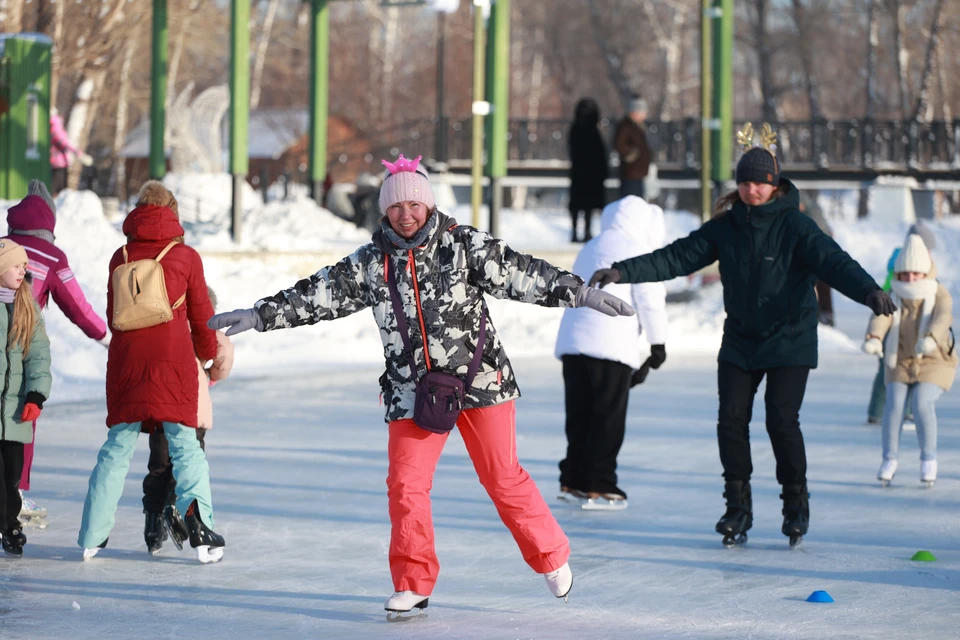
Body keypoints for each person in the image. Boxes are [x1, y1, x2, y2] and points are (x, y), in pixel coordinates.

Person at [208, 153, 635, 615]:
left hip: (481, 381)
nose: (405, 214)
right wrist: (259, 315)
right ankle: (413, 581)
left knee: (502, 477)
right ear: (384, 211)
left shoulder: (462, 245)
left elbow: (520, 274)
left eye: (414, 205)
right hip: (413, 390)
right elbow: (318, 294)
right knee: (406, 485)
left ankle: (552, 558)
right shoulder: (371, 263)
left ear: (428, 206)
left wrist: (581, 293)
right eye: (395, 207)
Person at [588, 128, 896, 547]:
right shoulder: (727, 227)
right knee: (731, 421)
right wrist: (623, 270)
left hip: (790, 338)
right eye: (746, 182)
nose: (752, 190)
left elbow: (833, 261)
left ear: (775, 184)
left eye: (761, 183)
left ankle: (795, 506)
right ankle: (737, 508)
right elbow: (677, 256)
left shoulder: (797, 227)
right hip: (740, 340)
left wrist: (868, 290)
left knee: (781, 421)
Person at [77, 181, 225, 564]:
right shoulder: (185, 256)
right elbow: (200, 315)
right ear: (172, 213)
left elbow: (115, 317)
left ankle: (92, 535)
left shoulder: (120, 255)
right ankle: (203, 534)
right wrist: (207, 357)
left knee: (116, 447)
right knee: (186, 446)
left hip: (127, 359)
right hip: (173, 360)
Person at [3, 180, 109, 524]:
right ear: (50, 221)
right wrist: (106, 337)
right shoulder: (52, 256)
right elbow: (76, 304)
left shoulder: (4, 246)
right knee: (22, 416)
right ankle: (14, 496)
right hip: (22, 347)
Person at [554, 196, 668, 510]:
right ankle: (600, 482)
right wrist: (658, 344)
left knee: (579, 415)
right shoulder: (637, 250)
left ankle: (572, 479)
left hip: (574, 343)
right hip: (611, 345)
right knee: (607, 416)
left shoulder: (591, 246)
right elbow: (650, 298)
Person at [142, 286, 233, 555]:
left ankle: (153, 524)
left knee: (160, 465)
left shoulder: (163, 331)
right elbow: (224, 354)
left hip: (159, 406)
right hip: (193, 410)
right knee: (190, 463)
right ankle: (177, 506)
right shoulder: (207, 332)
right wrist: (212, 375)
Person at [862, 234, 956, 488]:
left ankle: (929, 460)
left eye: (916, 273)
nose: (910, 278)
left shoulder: (939, 293)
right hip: (900, 359)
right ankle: (889, 460)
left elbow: (943, 317)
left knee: (922, 401)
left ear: (925, 271)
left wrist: (932, 339)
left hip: (934, 359)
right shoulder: (892, 293)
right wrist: (874, 337)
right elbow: (882, 317)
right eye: (905, 274)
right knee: (893, 404)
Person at [0, 239, 52, 558]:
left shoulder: (27, 305)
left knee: (12, 472)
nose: (24, 270)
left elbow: (39, 354)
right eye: (17, 265)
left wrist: (36, 394)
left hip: (17, 408)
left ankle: (10, 523)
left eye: (24, 266)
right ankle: (5, 523)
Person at [865, 222, 936, 425]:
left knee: (906, 368)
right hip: (892, 315)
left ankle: (903, 410)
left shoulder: (913, 259)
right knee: (889, 369)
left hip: (904, 319)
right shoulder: (903, 258)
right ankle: (878, 411)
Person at [567, 98, 609, 243]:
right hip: (591, 174)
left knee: (578, 205)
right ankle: (586, 231)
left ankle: (576, 232)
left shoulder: (575, 129)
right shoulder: (593, 131)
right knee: (587, 206)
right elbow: (600, 153)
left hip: (579, 173)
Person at [614, 96, 651, 200]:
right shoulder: (626, 126)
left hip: (637, 172)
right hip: (631, 172)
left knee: (637, 201)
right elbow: (619, 144)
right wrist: (632, 154)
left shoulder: (637, 126)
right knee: (631, 201)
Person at [49, 107, 93, 194]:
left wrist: (79, 154)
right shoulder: (56, 126)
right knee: (59, 191)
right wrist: (79, 154)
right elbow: (65, 143)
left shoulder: (54, 126)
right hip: (59, 163)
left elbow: (64, 143)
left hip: (57, 163)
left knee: (57, 190)